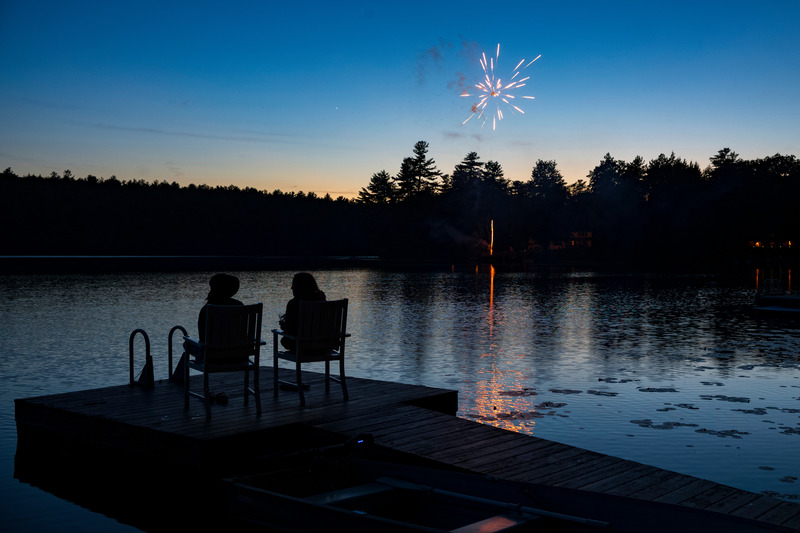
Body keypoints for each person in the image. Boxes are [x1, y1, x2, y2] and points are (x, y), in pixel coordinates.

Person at [173, 273, 243, 384]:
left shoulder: (206, 310)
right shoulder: (240, 306)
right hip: (238, 357)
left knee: (187, 344)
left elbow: (202, 338)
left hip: (213, 357)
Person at [279, 272, 326, 352]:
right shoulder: (322, 300)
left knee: (284, 340)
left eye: (294, 285)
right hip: (324, 346)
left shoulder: (294, 303)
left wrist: (283, 326)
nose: (291, 288)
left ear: (300, 287)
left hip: (303, 346)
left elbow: (290, 329)